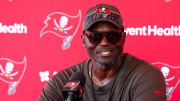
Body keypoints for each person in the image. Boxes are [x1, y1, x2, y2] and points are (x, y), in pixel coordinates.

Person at [38, 4, 167, 101]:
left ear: (123, 38)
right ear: (83, 41)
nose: (104, 42)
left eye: (112, 36)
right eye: (95, 37)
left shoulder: (146, 76)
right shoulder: (63, 81)